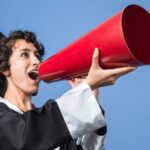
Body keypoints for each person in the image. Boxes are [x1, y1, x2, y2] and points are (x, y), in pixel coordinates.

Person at [0, 30, 135, 150]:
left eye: (37, 56)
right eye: (24, 54)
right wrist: (83, 90)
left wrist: (89, 100)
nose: (36, 61)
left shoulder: (53, 126)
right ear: (5, 68)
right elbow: (24, 139)